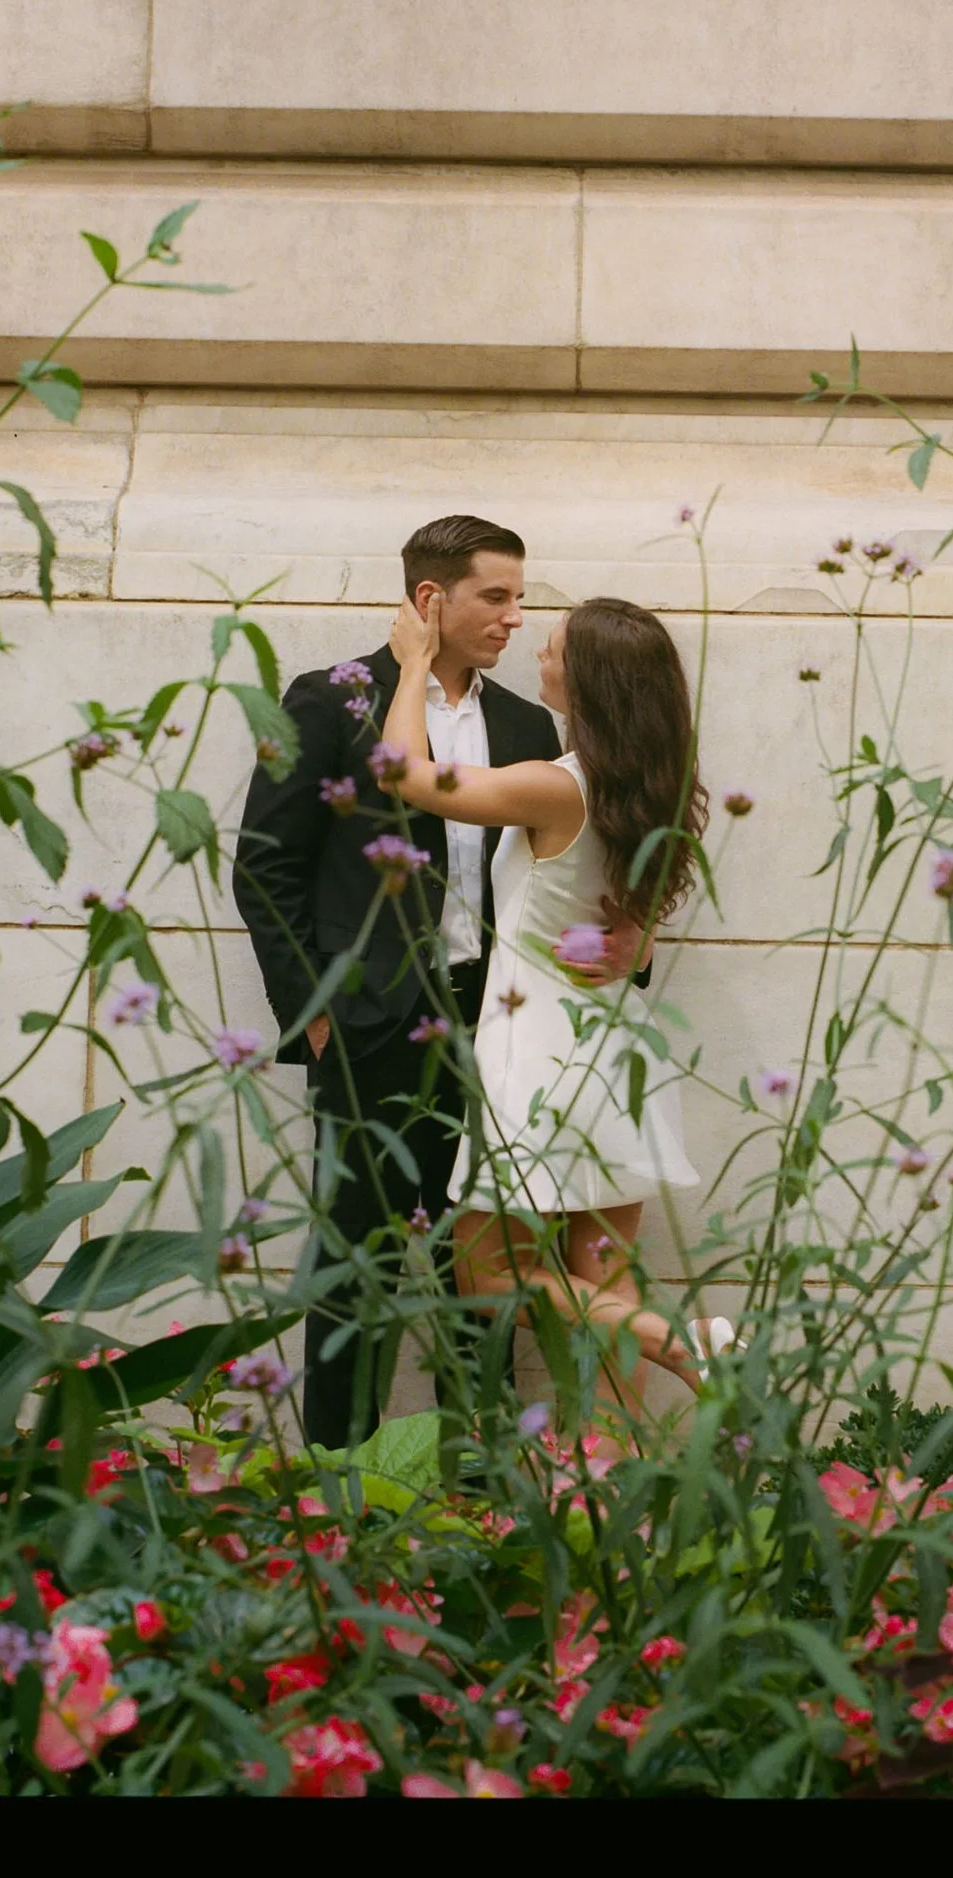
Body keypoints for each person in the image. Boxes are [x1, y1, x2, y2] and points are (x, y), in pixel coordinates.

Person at [234, 515, 637, 1453]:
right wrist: (318, 1010)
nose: (514, 617)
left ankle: (477, 1485)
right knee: (353, 1265)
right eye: (496, 596)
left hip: (496, 1028)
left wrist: (628, 945)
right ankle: (339, 1478)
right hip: (369, 1024)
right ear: (431, 599)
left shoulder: (528, 725)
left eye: (518, 598)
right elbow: (266, 865)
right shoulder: (331, 701)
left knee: (483, 1263)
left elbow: (574, 862)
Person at [376, 585, 715, 1419]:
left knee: (489, 1271)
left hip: (538, 1051)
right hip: (616, 1051)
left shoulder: (556, 787)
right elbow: (622, 920)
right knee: (602, 1269)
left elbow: (402, 776)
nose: (541, 653)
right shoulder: (657, 789)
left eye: (557, 647)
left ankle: (674, 1340)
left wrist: (414, 666)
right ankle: (612, 1483)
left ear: (591, 682)